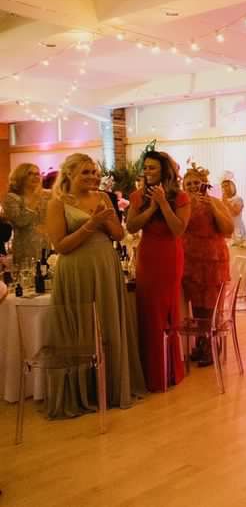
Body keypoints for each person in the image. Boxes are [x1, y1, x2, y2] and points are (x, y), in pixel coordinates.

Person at [44, 153, 146, 417]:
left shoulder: (101, 197)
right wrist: (92, 224)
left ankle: (111, 386)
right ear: (69, 175)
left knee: (107, 323)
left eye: (94, 171)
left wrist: (108, 220)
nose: (92, 176)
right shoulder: (58, 203)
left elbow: (118, 234)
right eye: (85, 172)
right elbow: (61, 246)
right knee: (82, 328)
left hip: (105, 265)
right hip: (76, 269)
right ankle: (83, 391)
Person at [126, 151, 191, 392]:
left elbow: (178, 230)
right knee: (148, 312)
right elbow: (132, 226)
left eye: (152, 168)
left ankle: (170, 371)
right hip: (147, 256)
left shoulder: (181, 197)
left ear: (164, 171)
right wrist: (151, 207)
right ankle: (151, 373)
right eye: (146, 168)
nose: (148, 172)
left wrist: (163, 204)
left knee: (167, 310)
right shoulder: (136, 196)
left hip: (169, 256)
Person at [182, 164, 233, 366]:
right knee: (195, 305)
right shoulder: (182, 204)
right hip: (190, 259)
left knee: (210, 305)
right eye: (189, 183)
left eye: (197, 182)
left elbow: (228, 229)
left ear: (204, 184)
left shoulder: (215, 202)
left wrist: (211, 206)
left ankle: (212, 346)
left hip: (212, 258)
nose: (193, 186)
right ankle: (200, 342)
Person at [3, 163, 50, 267]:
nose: (35, 177)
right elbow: (21, 221)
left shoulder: (46, 195)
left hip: (46, 245)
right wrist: (35, 198)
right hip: (25, 249)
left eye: (37, 174)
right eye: (30, 173)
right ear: (20, 176)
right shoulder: (12, 198)